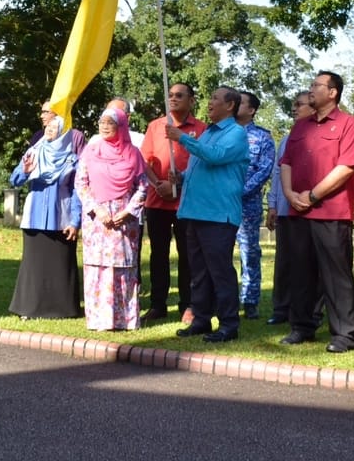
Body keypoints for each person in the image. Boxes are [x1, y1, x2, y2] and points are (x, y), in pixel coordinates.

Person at [279, 71, 354, 352]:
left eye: (317, 86)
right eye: (311, 85)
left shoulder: (348, 125)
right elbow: (286, 163)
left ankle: (344, 335)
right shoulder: (300, 127)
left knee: (336, 275)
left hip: (331, 211)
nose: (311, 90)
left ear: (333, 92)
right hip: (298, 211)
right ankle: (302, 327)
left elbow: (347, 167)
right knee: (300, 272)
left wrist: (313, 194)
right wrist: (291, 194)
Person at [169, 86, 250, 342]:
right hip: (195, 211)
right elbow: (201, 166)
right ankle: (201, 319)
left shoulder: (236, 133)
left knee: (220, 271)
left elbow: (215, 157)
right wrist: (180, 177)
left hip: (218, 214)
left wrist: (181, 138)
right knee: (199, 271)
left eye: (215, 98)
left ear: (230, 105)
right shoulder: (206, 133)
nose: (210, 102)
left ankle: (228, 324)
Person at [75, 105, 151, 331]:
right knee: (97, 267)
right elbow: (81, 183)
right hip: (96, 219)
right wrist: (96, 210)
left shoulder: (132, 153)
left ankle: (124, 320)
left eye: (110, 123)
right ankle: (98, 320)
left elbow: (143, 186)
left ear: (121, 127)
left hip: (123, 220)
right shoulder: (91, 150)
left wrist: (127, 212)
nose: (105, 127)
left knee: (122, 268)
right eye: (102, 123)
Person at [140, 83, 206, 322]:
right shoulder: (155, 126)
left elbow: (202, 164)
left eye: (179, 95)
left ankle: (188, 304)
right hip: (157, 201)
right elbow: (144, 162)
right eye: (170, 95)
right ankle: (158, 304)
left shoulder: (201, 129)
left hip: (187, 203)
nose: (173, 99)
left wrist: (178, 185)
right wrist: (159, 184)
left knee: (188, 255)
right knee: (158, 255)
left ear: (191, 100)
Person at [8, 116, 84, 319]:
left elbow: (78, 191)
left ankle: (62, 309)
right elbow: (15, 180)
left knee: (60, 265)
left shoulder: (72, 159)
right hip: (34, 217)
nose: (49, 129)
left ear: (63, 132)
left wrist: (75, 221)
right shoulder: (34, 152)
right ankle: (29, 309)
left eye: (54, 126)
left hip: (62, 218)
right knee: (33, 266)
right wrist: (24, 171)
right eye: (48, 126)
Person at [265, 91, 314, 325]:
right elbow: (277, 172)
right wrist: (273, 205)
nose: (294, 109)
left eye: (300, 105)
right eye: (293, 105)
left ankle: (310, 310)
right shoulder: (287, 138)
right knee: (284, 262)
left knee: (310, 263)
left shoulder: (319, 136)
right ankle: (281, 309)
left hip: (310, 210)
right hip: (286, 210)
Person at [234, 91, 275, 320]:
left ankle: (250, 301)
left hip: (247, 205)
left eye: (241, 103)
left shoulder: (262, 137)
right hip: (220, 204)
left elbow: (264, 170)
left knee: (249, 253)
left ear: (251, 110)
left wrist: (240, 191)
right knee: (218, 252)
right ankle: (224, 299)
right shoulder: (222, 133)